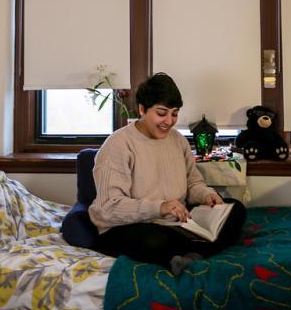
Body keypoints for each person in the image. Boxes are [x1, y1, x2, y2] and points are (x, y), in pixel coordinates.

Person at [89, 73, 246, 275]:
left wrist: (206, 195)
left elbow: (193, 183)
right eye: (162, 113)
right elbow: (109, 208)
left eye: (174, 113)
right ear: (142, 109)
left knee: (236, 209)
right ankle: (197, 251)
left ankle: (187, 255)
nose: (169, 121)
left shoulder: (178, 140)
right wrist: (160, 207)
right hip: (130, 226)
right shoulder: (117, 145)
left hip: (175, 222)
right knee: (155, 240)